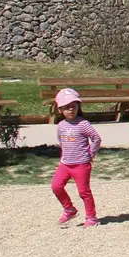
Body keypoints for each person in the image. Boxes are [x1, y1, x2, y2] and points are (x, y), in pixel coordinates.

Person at [51, 88, 102, 228]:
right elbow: (61, 141)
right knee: (56, 186)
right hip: (65, 164)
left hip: (81, 165)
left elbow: (96, 139)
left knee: (84, 192)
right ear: (60, 109)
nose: (70, 110)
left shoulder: (83, 124)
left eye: (73, 106)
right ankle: (69, 209)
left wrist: (90, 154)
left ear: (78, 106)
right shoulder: (61, 126)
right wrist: (64, 156)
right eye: (66, 107)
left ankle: (91, 217)